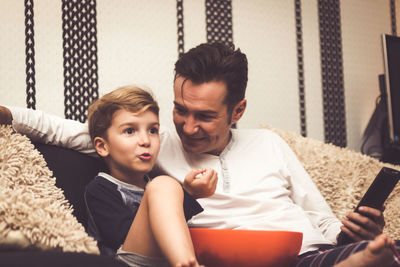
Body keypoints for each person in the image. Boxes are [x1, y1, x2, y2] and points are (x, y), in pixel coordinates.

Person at [1, 42, 399, 266]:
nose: (188, 127)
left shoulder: (270, 143)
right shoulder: (154, 144)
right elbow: (69, 131)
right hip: (229, 256)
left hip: (302, 250)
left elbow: (321, 219)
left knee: (374, 251)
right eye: (180, 110)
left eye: (205, 116)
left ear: (237, 111)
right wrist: (8, 114)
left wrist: (352, 232)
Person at [80, 85, 218, 267]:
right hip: (126, 262)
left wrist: (188, 193)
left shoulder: (155, 185)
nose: (146, 141)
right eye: (130, 131)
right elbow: (121, 237)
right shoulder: (100, 188)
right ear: (102, 147)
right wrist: (187, 195)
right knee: (165, 185)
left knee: (164, 185)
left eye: (152, 130)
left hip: (164, 262)